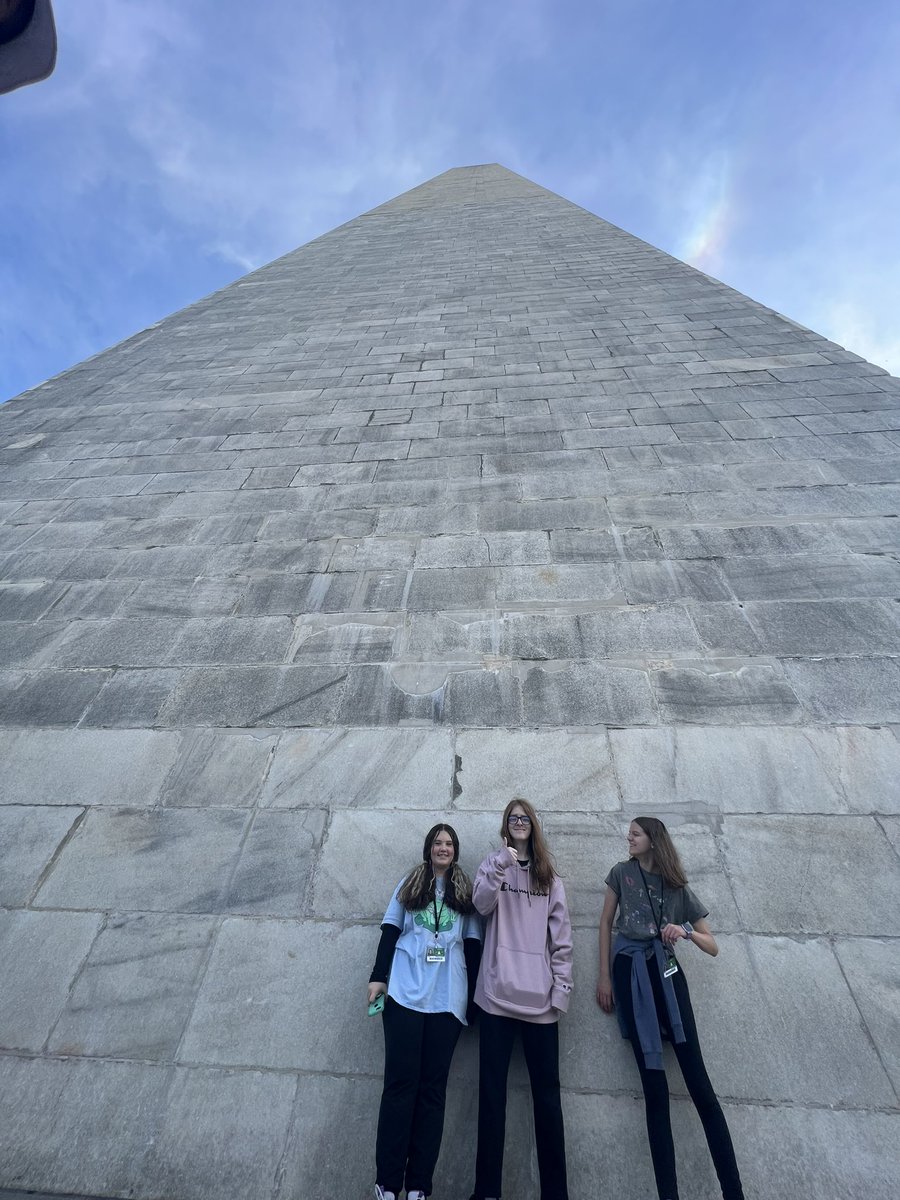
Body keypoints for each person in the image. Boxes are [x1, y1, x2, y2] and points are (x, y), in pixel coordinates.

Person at [597, 816, 744, 1200]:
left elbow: (713, 945)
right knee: (655, 1092)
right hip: (631, 974)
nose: (629, 837)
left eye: (636, 833)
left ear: (653, 839)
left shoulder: (677, 887)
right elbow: (604, 924)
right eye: (629, 832)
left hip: (667, 975)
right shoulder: (619, 873)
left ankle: (734, 1192)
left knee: (701, 1087)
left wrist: (686, 932)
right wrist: (604, 978)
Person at [367, 822, 482, 1200]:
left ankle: (418, 1186)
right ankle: (387, 1184)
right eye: (437, 842)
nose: (443, 848)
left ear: (456, 850)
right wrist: (377, 977)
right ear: (428, 848)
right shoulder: (410, 883)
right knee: (400, 1087)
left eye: (449, 843)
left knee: (432, 1093)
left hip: (447, 999)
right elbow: (389, 928)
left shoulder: (465, 890)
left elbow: (473, 944)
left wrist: (477, 997)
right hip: (403, 993)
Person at [468, 797, 573, 1200]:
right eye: (512, 819)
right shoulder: (493, 866)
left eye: (524, 818)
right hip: (496, 998)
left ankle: (556, 1193)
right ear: (505, 826)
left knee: (547, 1100)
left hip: (541, 1006)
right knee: (491, 1097)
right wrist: (500, 864)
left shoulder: (551, 879)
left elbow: (562, 942)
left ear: (533, 825)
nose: (518, 823)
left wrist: (561, 992)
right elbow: (481, 904)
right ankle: (486, 1191)